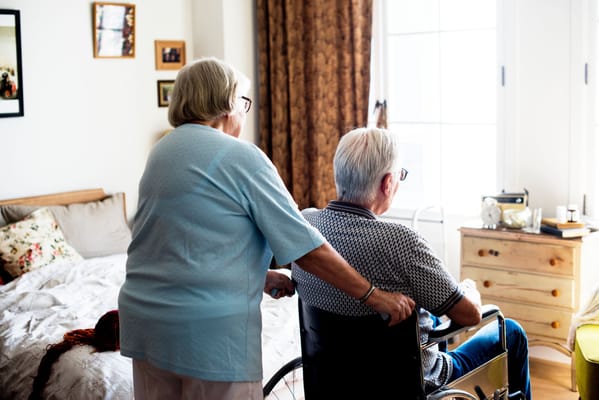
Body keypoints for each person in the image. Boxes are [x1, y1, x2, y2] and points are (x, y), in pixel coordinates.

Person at [117, 57, 415, 400]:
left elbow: (179, 246)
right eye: (243, 102)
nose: (244, 113)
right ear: (227, 105)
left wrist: (259, 276)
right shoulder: (240, 157)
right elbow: (307, 247)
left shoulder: (162, 152)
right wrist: (375, 296)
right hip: (207, 335)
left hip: (145, 323)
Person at [291, 126, 532, 399]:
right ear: (387, 183)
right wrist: (469, 289)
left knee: (430, 316)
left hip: (336, 380)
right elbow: (469, 315)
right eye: (400, 177)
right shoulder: (401, 243)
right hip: (409, 383)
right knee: (511, 332)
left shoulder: (305, 225)